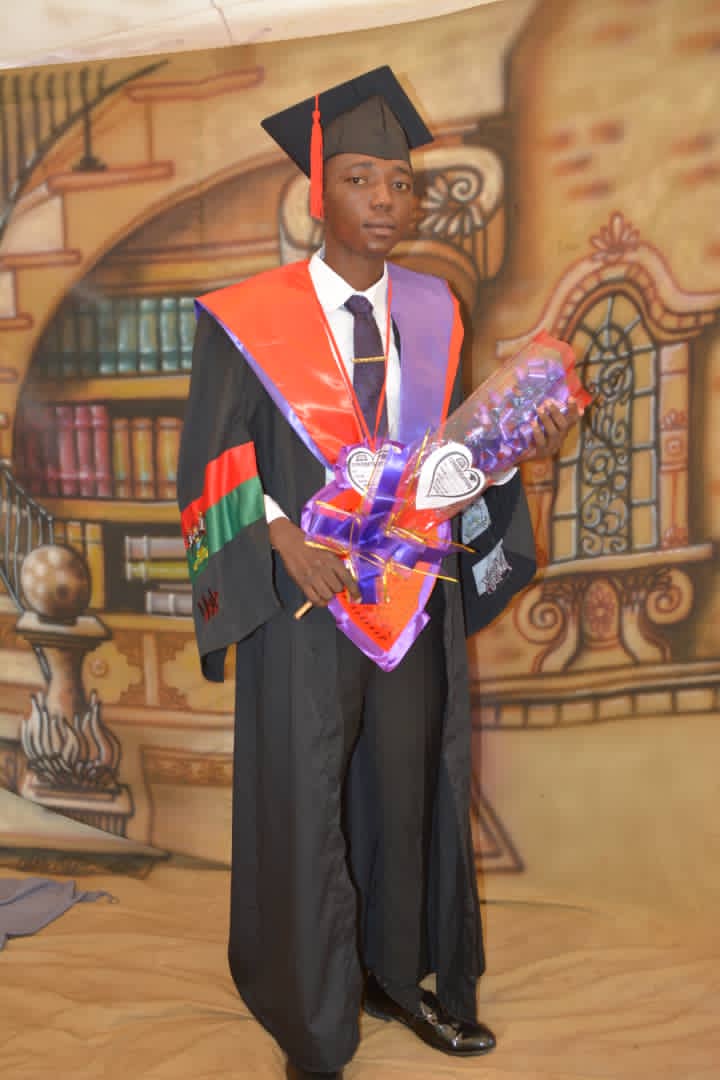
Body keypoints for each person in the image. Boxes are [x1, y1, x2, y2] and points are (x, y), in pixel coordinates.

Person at [177, 66, 579, 1080]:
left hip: (408, 596)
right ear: (321, 192)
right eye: (364, 181)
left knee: (404, 791)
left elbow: (444, 454)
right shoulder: (242, 317)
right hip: (302, 601)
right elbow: (212, 459)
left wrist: (514, 438)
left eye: (402, 185)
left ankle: (399, 978)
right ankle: (309, 1009)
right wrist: (275, 537)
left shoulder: (435, 308)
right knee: (307, 793)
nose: (390, 204)